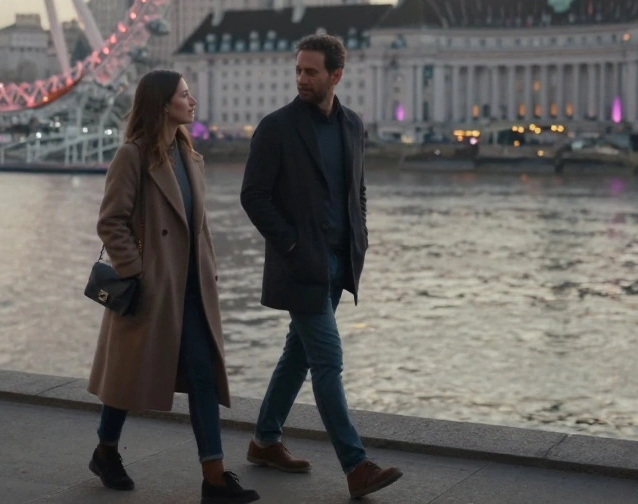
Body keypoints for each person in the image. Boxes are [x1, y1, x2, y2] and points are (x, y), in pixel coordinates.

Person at [240, 34, 403, 499]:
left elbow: (358, 190)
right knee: (328, 360)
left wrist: (361, 234)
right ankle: (356, 466)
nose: (302, 79)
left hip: (340, 260)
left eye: (311, 71)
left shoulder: (353, 125)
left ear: (336, 75)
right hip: (301, 264)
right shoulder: (276, 127)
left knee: (297, 356)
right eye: (298, 70)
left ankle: (264, 441)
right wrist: (291, 244)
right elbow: (253, 197)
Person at [89, 70, 260, 504]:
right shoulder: (132, 156)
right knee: (127, 378)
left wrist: (210, 269)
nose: (193, 100)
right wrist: (136, 272)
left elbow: (198, 228)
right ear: (165, 104)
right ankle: (106, 450)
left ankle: (215, 478)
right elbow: (111, 221)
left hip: (192, 289)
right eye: (185, 94)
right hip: (153, 288)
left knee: (203, 377)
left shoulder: (190, 156)